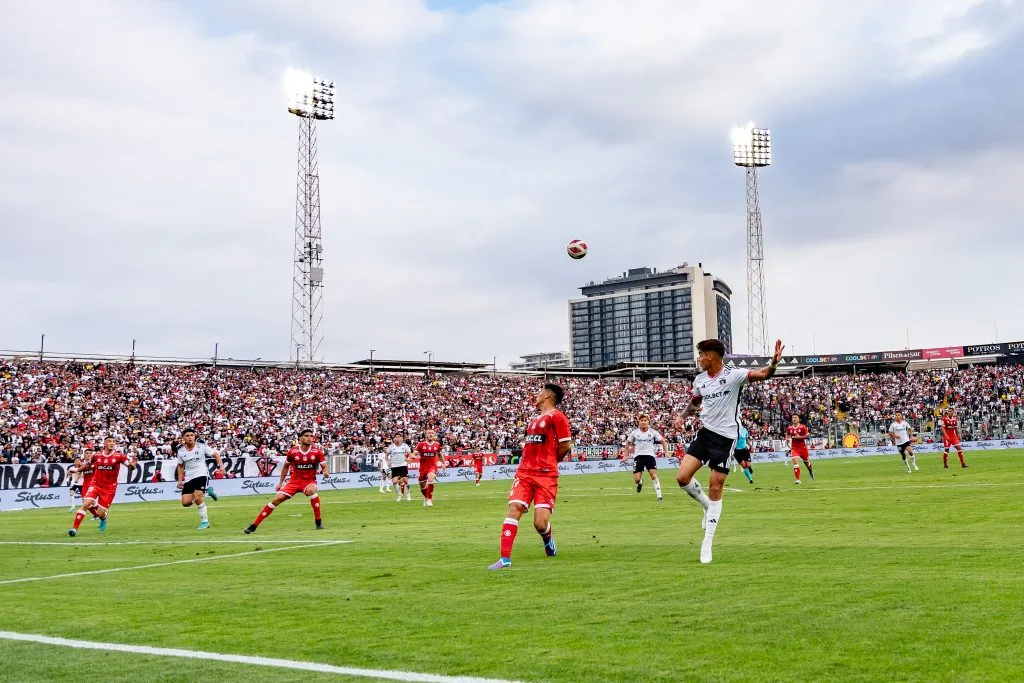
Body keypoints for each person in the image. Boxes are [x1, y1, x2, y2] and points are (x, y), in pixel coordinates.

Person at [673, 338, 784, 564]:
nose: (699, 358)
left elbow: (763, 375)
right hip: (705, 433)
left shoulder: (733, 375)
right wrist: (682, 416)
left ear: (711, 356)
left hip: (726, 438)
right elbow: (695, 402)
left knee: (716, 485)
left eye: (701, 354)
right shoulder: (700, 380)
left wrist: (773, 363)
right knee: (682, 477)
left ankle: (707, 543)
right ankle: (706, 506)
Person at [488, 383, 572, 571]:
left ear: (548, 395)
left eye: (540, 392)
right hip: (525, 473)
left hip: (546, 476)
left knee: (540, 523)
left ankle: (547, 538)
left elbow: (565, 445)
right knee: (514, 508)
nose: (537, 395)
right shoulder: (535, 420)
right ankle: (504, 559)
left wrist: (550, 462)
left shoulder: (557, 417)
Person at [244, 429, 329, 533]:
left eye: (311, 436)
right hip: (293, 481)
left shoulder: (317, 452)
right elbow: (285, 467)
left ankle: (318, 522)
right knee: (276, 499)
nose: (309, 438)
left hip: (308, 481)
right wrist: (280, 482)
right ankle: (254, 525)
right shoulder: (293, 451)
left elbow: (324, 466)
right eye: (306, 436)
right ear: (301, 438)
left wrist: (325, 472)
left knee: (312, 491)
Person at [68, 436, 138, 536]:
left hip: (109, 488)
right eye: (109, 441)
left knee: (99, 513)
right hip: (96, 484)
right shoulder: (97, 455)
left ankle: (103, 518)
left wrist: (133, 464)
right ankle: (74, 529)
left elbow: (130, 466)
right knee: (86, 503)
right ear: (104, 444)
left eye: (114, 442)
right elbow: (88, 464)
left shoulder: (119, 456)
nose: (112, 443)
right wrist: (77, 470)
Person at [175, 427, 226, 530]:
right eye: (187, 436)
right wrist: (180, 480)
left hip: (201, 474)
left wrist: (221, 467)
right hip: (189, 477)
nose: (190, 437)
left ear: (194, 436)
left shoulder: (202, 447)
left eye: (192, 435)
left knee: (197, 498)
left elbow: (215, 454)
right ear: (183, 438)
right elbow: (180, 466)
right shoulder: (181, 451)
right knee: (186, 503)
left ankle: (205, 522)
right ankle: (208, 490)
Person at [622, 414, 667, 501]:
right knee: (637, 479)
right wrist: (626, 455)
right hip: (638, 457)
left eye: (645, 420)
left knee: (653, 475)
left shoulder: (653, 432)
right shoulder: (635, 433)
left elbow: (663, 441)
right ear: (639, 422)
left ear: (648, 422)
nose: (643, 422)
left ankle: (659, 496)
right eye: (641, 420)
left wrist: (666, 452)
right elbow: (628, 443)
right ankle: (640, 483)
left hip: (650, 456)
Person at [414, 429, 443, 507]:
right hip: (423, 468)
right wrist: (415, 456)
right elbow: (413, 454)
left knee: (430, 479)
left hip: (432, 466)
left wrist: (443, 463)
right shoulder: (421, 444)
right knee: (422, 486)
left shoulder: (437, 444)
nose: (430, 434)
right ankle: (426, 497)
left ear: (434, 435)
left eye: (432, 433)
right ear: (426, 435)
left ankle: (429, 499)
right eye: (429, 433)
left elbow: (439, 455)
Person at [786, 415, 815, 484]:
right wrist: (787, 438)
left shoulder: (802, 427)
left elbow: (808, 435)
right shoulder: (789, 428)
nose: (794, 419)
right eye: (793, 418)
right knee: (795, 462)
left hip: (803, 448)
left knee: (807, 463)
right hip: (794, 448)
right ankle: (798, 480)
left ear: (798, 419)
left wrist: (800, 437)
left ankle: (811, 472)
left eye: (796, 418)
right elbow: (787, 434)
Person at [386, 433, 412, 502]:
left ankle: (408, 494)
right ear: (394, 439)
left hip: (403, 465)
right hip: (394, 466)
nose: (397, 438)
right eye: (396, 437)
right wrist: (388, 461)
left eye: (399, 437)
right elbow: (386, 455)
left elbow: (409, 453)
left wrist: (409, 459)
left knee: (406, 481)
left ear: (401, 438)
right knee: (394, 482)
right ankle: (400, 494)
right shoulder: (391, 447)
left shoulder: (405, 446)